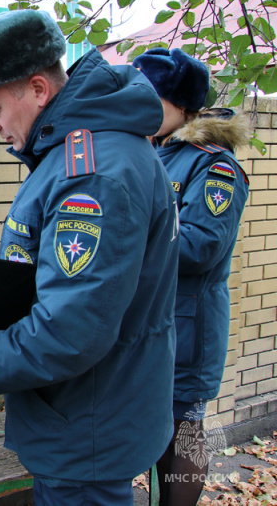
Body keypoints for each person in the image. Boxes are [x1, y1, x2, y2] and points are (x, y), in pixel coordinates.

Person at [0, 10, 180, 505]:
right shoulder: (72, 155)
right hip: (83, 418)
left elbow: (71, 331)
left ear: (37, 90)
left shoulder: (90, 174)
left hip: (85, 427)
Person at [133, 48, 250, 506]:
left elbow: (202, 248)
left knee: (184, 429)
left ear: (181, 105)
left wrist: (127, 240)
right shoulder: (153, 153)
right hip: (150, 320)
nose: (139, 107)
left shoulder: (213, 165)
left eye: (151, 99)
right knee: (154, 425)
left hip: (187, 323)